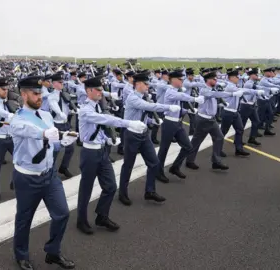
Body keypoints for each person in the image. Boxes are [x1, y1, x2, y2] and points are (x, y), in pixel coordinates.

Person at [10, 76, 77, 270]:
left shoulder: (46, 115)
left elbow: (52, 140)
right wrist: (43, 133)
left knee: (62, 213)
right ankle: (21, 255)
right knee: (24, 219)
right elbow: (26, 130)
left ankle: (53, 252)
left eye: (40, 93)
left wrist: (63, 140)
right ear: (24, 94)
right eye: (35, 93)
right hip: (27, 177)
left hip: (49, 175)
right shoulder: (18, 119)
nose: (40, 97)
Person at [76, 75, 146, 235]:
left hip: (101, 151)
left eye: (102, 89)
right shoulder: (86, 109)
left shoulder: (99, 107)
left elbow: (99, 128)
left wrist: (107, 140)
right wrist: (128, 123)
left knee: (111, 186)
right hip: (89, 153)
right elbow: (105, 120)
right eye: (99, 90)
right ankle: (81, 220)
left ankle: (102, 216)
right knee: (86, 189)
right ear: (89, 90)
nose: (102, 92)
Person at [119, 72, 180, 206]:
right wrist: (168, 107)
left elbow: (143, 113)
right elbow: (148, 107)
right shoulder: (132, 98)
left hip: (144, 134)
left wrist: (152, 120)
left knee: (154, 162)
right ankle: (122, 193)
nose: (148, 86)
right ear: (138, 84)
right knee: (128, 165)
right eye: (145, 84)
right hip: (132, 135)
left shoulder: (144, 97)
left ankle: (150, 191)